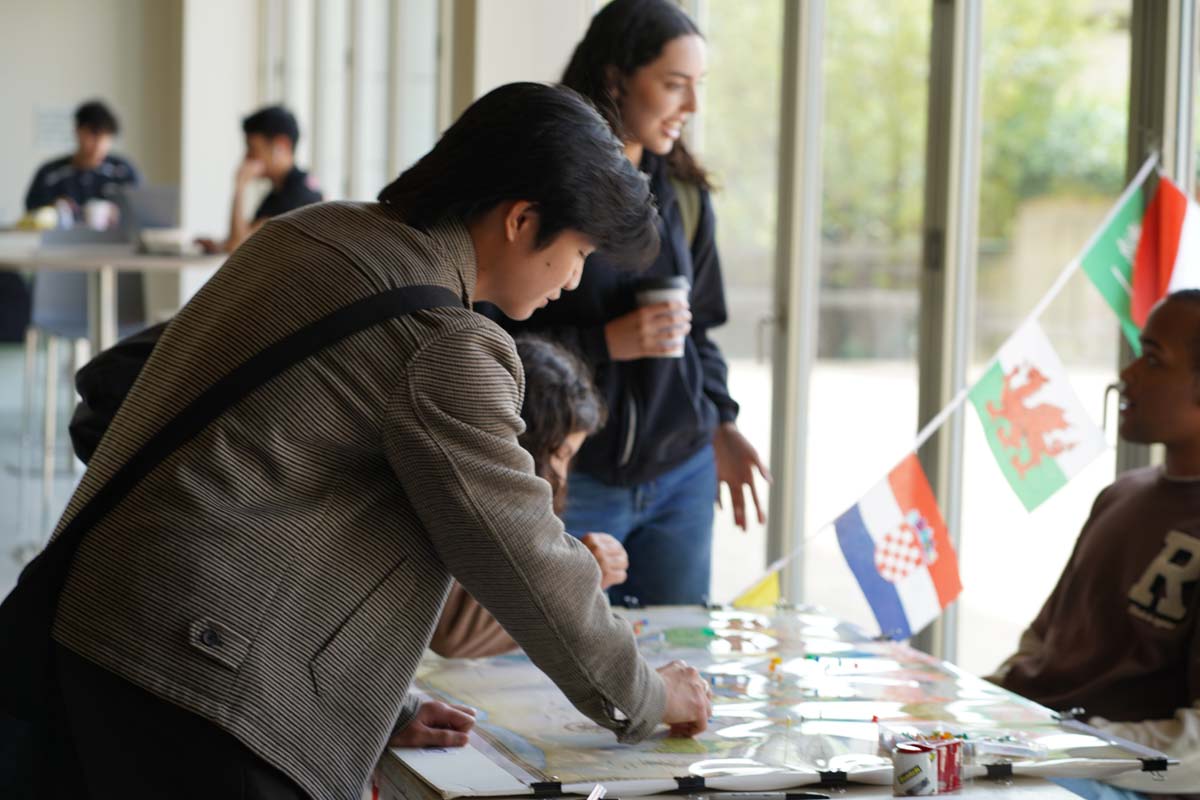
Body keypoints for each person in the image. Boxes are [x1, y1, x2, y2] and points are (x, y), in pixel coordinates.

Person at [5, 83, 712, 800]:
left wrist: (379, 703)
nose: (574, 279)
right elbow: (522, 554)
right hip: (202, 687)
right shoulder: (448, 344)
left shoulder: (311, 232)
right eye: (580, 251)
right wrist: (650, 695)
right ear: (521, 219)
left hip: (103, 627)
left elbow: (161, 406)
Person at [480, 0, 769, 607]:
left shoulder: (685, 195)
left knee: (672, 660)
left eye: (698, 88)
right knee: (549, 665)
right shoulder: (544, 186)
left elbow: (702, 332)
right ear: (615, 78)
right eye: (673, 85)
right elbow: (488, 330)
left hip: (682, 473)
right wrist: (608, 343)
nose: (691, 107)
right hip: (573, 468)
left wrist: (722, 421)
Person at [990, 290, 1200, 799]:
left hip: (1108, 773)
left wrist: (1059, 747)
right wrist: (975, 708)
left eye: (1153, 360)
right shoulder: (1119, 494)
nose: (1126, 376)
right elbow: (1043, 640)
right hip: (1031, 739)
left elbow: (1194, 750)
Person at [432, 334, 630, 658]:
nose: (563, 475)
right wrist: (578, 579)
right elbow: (454, 632)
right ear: (528, 443)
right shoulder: (461, 491)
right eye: (561, 454)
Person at [196, 105, 322, 254]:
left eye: (252, 149)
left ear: (281, 145)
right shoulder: (281, 190)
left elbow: (238, 247)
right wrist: (220, 246)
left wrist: (240, 185)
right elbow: (245, 238)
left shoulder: (298, 194)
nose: (247, 157)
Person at [23, 100, 140, 223]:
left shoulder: (123, 172)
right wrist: (54, 210)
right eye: (94, 135)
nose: (99, 145)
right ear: (78, 131)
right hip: (63, 241)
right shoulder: (49, 175)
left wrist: (119, 213)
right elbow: (32, 213)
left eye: (107, 137)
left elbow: (143, 210)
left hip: (115, 241)